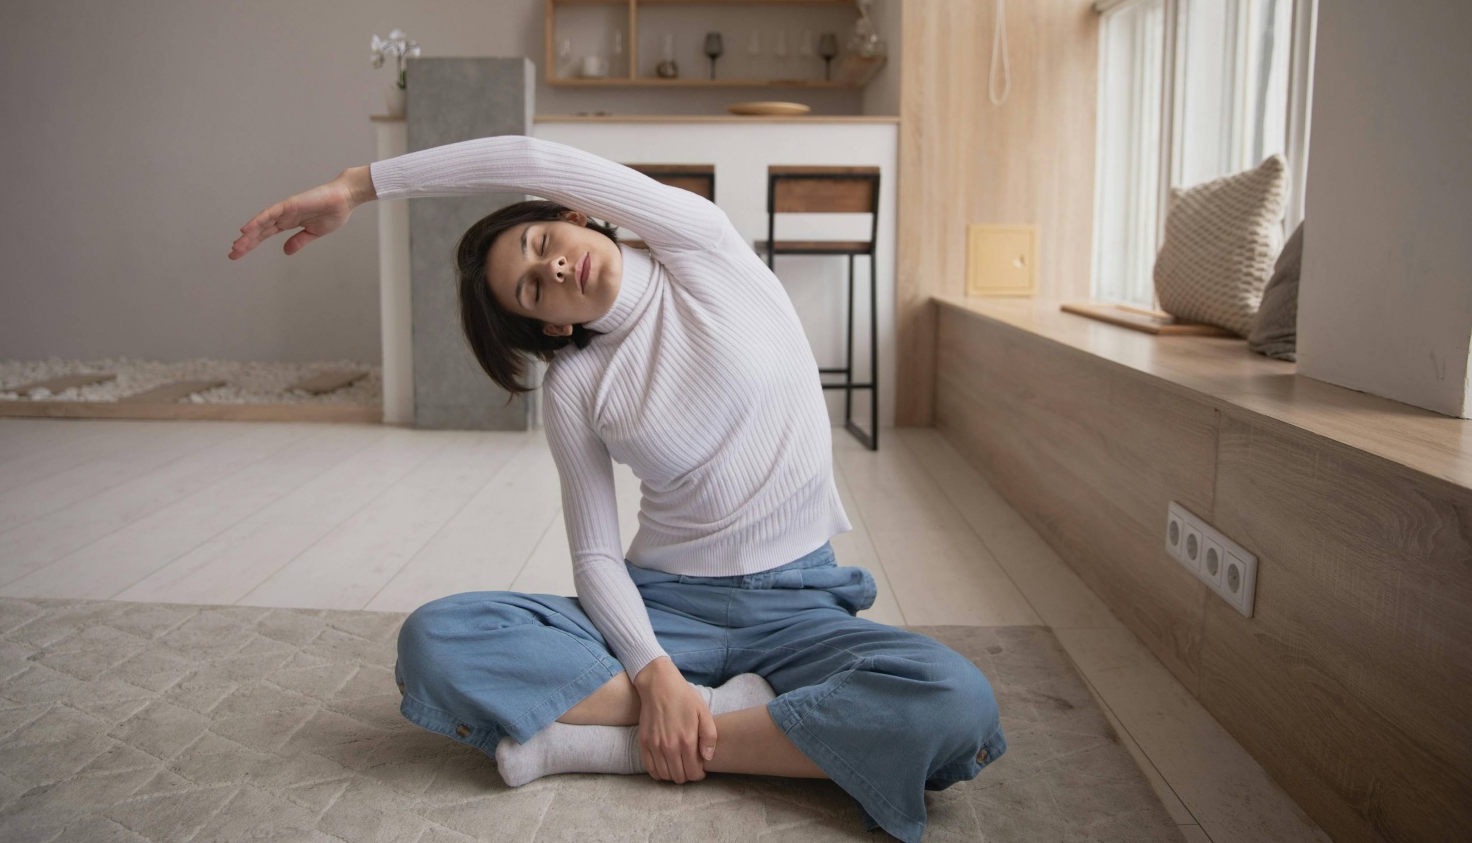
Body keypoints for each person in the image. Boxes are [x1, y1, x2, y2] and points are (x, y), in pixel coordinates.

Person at [228, 134, 1005, 842]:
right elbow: (596, 556)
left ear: (578, 217)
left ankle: (619, 743)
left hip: (799, 608)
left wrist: (357, 185)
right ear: (552, 327)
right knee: (436, 640)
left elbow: (527, 158)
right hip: (665, 609)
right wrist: (652, 669)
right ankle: (746, 724)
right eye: (533, 290)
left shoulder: (701, 248)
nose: (554, 268)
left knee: (956, 704)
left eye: (542, 243)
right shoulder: (576, 383)